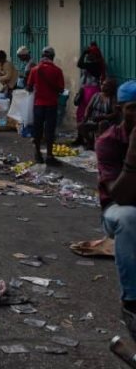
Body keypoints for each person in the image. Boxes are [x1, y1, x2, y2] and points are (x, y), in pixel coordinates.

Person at [94, 79, 136, 342]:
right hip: (117, 209)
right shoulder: (109, 142)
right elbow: (119, 195)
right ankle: (131, 300)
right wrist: (133, 153)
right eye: (133, 107)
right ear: (120, 108)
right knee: (130, 217)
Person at [27, 46, 65, 166]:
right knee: (50, 131)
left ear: (42, 55)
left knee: (37, 130)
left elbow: (28, 87)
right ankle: (49, 155)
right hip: (51, 104)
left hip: (38, 104)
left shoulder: (35, 69)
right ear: (52, 57)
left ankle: (38, 154)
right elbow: (61, 89)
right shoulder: (57, 71)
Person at [77, 78, 119, 150]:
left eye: (106, 85)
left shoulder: (112, 99)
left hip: (106, 121)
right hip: (94, 119)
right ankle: (90, 142)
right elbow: (89, 108)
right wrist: (85, 117)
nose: (103, 86)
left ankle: (100, 144)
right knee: (80, 125)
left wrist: (103, 117)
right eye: (102, 84)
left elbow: (115, 113)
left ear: (111, 88)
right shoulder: (96, 95)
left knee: (102, 124)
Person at [76, 42, 107, 125]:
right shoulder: (98, 63)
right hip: (91, 89)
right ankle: (82, 132)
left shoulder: (94, 65)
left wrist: (83, 53)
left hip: (90, 91)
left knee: (84, 112)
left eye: (89, 54)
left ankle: (83, 131)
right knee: (85, 111)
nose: (87, 56)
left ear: (94, 55)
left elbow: (79, 64)